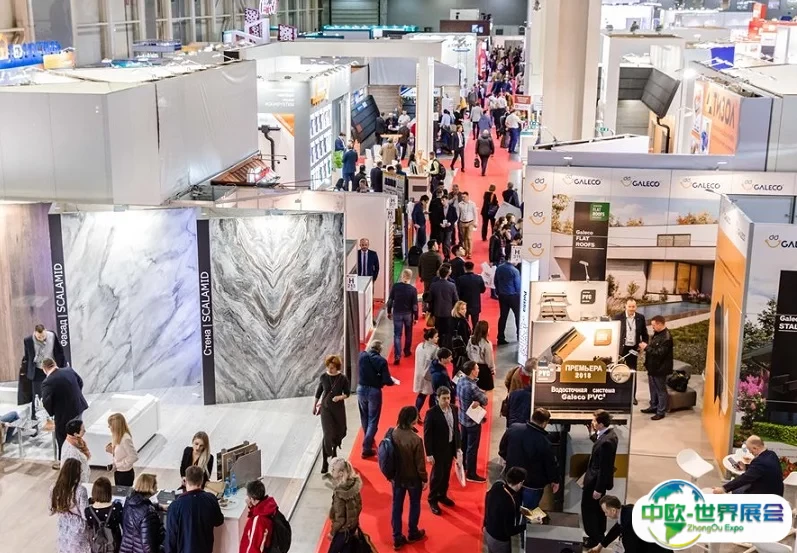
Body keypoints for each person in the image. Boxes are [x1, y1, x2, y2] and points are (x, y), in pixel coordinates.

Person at [498, 407, 560, 510]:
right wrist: (555, 480)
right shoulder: (545, 443)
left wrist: (510, 461)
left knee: (510, 508)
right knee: (529, 511)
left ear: (532, 417)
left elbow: (502, 449)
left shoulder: (514, 428)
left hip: (512, 479)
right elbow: (550, 465)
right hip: (533, 485)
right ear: (545, 423)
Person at [391, 406, 428, 549]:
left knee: (397, 506)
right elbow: (420, 464)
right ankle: (413, 532)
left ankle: (397, 537)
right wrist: (424, 479)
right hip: (413, 479)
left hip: (397, 478)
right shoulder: (416, 439)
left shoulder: (394, 433)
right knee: (414, 504)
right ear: (413, 420)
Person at [166, 465, 224, 553]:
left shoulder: (175, 506)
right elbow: (219, 521)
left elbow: (171, 538)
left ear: (185, 481)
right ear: (202, 480)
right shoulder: (211, 498)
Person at [582, 410, 619, 549]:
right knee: (597, 511)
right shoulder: (608, 436)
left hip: (595, 482)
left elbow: (605, 468)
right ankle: (597, 535)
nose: (592, 422)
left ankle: (595, 538)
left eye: (594, 421)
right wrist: (592, 434)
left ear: (601, 424)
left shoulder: (606, 442)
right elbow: (599, 446)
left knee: (589, 510)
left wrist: (598, 489)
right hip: (595, 480)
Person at [423, 386, 461, 516]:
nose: (447, 401)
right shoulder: (431, 413)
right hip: (438, 450)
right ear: (437, 398)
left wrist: (458, 447)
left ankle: (442, 495)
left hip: (450, 447)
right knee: (437, 476)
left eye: (448, 398)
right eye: (444, 398)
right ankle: (432, 499)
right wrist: (429, 454)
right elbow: (427, 435)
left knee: (446, 474)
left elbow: (456, 429)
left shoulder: (454, 409)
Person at [41, 358, 88, 458]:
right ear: (54, 363)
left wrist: (52, 412)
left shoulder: (48, 382)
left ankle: (66, 461)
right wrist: (74, 396)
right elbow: (80, 382)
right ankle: (79, 457)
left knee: (63, 439)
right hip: (78, 407)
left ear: (44, 369)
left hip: (64, 415)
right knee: (77, 434)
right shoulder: (68, 370)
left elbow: (46, 402)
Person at [588, 495, 666, 553]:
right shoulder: (626, 511)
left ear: (613, 510)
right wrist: (600, 546)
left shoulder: (629, 522)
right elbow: (615, 530)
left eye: (606, 512)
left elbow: (632, 548)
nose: (605, 515)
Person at [357, 341, 395, 458]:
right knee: (373, 419)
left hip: (361, 389)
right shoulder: (381, 361)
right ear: (379, 350)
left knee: (364, 416)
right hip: (374, 392)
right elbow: (387, 380)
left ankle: (368, 438)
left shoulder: (362, 356)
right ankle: (366, 447)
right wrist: (391, 382)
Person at [20, 323, 66, 421]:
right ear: (35, 333)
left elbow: (59, 351)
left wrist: (62, 366)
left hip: (51, 368)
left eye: (43, 336)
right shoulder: (28, 340)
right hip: (38, 370)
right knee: (36, 396)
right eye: (39, 337)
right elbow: (27, 357)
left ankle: (56, 416)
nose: (41, 339)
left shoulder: (52, 335)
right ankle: (35, 420)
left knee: (55, 392)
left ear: (45, 331)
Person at [315, 355, 351, 475]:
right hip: (326, 409)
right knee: (327, 433)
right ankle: (325, 460)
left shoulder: (342, 378)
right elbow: (319, 392)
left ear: (337, 367)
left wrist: (339, 397)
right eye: (328, 367)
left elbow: (347, 393)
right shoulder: (324, 377)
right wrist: (314, 405)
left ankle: (334, 451)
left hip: (338, 409)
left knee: (337, 432)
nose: (330, 370)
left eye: (332, 368)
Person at [713, 435, 784, 496]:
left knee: (737, 490)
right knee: (739, 488)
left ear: (755, 448)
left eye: (750, 449)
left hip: (765, 495)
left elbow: (744, 478)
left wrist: (723, 489)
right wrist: (745, 467)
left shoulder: (760, 462)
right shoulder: (771, 454)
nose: (750, 452)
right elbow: (761, 470)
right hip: (775, 491)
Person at [50, 458, 91, 553]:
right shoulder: (80, 490)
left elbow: (50, 510)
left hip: (63, 527)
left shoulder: (54, 488)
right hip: (78, 529)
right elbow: (85, 515)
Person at [457, 361, 488, 483]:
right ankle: (471, 473)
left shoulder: (460, 379)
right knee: (472, 448)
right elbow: (485, 400)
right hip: (472, 421)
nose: (478, 370)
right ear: (472, 371)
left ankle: (463, 464)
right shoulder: (472, 387)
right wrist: (480, 399)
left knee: (463, 444)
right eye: (477, 368)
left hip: (462, 418)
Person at [483, 466, 527, 553]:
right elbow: (509, 531)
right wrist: (526, 526)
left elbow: (488, 500)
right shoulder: (508, 503)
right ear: (520, 483)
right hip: (499, 540)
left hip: (488, 530)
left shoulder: (497, 485)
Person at [119, 473, 164, 553]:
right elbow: (148, 546)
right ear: (151, 487)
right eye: (156, 484)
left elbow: (139, 509)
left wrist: (158, 506)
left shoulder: (129, 501)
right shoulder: (149, 513)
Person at [615, 298, 647, 406]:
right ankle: (619, 395)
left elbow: (645, 333)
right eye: (630, 306)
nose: (631, 309)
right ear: (626, 306)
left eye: (633, 306)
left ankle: (632, 396)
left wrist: (643, 345)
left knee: (632, 372)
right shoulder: (618, 317)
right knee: (619, 372)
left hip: (633, 349)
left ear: (636, 307)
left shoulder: (640, 318)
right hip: (621, 349)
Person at [327, 458, 363, 553]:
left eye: (333, 469)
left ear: (341, 473)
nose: (331, 471)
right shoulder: (355, 486)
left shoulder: (339, 493)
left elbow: (340, 518)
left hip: (343, 532)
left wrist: (332, 532)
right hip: (352, 528)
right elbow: (359, 507)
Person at [641, 315, 673, 421]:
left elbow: (659, 353)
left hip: (660, 369)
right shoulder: (657, 334)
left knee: (660, 390)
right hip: (653, 367)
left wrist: (646, 347)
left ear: (659, 324)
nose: (652, 327)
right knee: (653, 389)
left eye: (654, 325)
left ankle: (661, 411)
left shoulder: (666, 337)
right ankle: (653, 406)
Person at [387, 269, 419, 365]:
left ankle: (397, 355)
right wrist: (416, 317)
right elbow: (415, 305)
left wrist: (389, 311)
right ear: (410, 277)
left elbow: (390, 300)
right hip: (408, 314)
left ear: (402, 276)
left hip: (397, 313)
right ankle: (407, 351)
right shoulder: (413, 290)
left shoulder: (396, 286)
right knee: (408, 333)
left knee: (397, 335)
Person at [240, 479, 279, 553]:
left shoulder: (258, 520)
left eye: (248, 496)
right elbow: (258, 510)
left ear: (252, 499)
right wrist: (251, 507)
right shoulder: (267, 506)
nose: (247, 499)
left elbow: (253, 547)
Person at [86, 476, 124, 553]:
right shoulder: (117, 507)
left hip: (97, 546)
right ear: (109, 492)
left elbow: (90, 528)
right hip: (114, 545)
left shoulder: (88, 511)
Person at [429, 264, 459, 349]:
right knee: (448, 332)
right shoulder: (452, 285)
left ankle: (440, 347)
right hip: (448, 313)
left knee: (438, 331)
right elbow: (456, 299)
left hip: (437, 312)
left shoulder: (433, 285)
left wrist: (431, 311)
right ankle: (447, 348)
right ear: (447, 274)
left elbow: (430, 299)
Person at [494, 258, 521, 346]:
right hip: (513, 296)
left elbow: (495, 281)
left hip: (502, 296)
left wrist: (498, 292)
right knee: (518, 316)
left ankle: (500, 337)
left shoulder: (499, 268)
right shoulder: (515, 271)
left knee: (503, 317)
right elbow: (518, 286)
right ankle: (519, 336)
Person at [107, 413, 138, 487]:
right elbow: (121, 453)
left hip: (125, 474)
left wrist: (119, 464)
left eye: (110, 425)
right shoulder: (117, 436)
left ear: (116, 426)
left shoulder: (125, 439)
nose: (108, 427)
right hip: (118, 472)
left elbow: (134, 456)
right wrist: (112, 451)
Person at [413, 328, 439, 414]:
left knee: (422, 394)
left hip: (419, 373)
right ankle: (433, 413)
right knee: (433, 394)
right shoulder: (435, 349)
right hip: (429, 375)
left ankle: (416, 413)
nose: (437, 338)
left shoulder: (419, 346)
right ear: (430, 338)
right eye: (436, 337)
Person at [456, 262, 486, 329]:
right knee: (475, 324)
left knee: (464, 323)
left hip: (464, 305)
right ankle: (475, 334)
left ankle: (466, 333)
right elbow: (483, 290)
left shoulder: (460, 279)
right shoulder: (479, 278)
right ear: (473, 268)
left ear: (464, 268)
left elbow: (458, 292)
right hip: (475, 304)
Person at [467, 321, 495, 391]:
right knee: (487, 390)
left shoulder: (471, 339)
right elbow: (489, 359)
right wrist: (492, 369)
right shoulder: (487, 344)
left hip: (472, 366)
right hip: (483, 370)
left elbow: (468, 351)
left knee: (474, 389)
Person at [61, 418, 91, 483]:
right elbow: (72, 472)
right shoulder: (72, 451)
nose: (85, 431)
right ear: (75, 434)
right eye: (83, 429)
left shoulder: (77, 441)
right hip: (76, 483)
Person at [456, 191, 478, 259]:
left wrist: (476, 222)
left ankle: (469, 253)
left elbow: (475, 213)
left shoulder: (472, 204)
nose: (463, 198)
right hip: (462, 223)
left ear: (468, 197)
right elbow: (458, 214)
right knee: (464, 238)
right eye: (462, 197)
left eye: (464, 197)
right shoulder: (460, 204)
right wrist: (456, 222)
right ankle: (466, 250)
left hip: (470, 223)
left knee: (469, 237)